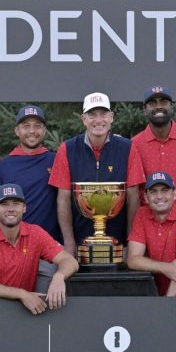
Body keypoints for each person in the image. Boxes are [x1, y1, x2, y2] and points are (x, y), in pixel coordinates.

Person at [48, 92, 145, 257]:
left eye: (103, 114)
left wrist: (132, 241)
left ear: (112, 117)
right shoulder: (67, 149)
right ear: (84, 119)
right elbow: (63, 199)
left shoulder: (127, 148)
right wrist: (69, 242)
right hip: (80, 243)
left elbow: (133, 197)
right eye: (92, 115)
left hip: (119, 243)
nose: (98, 120)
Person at [0, 183, 79, 315]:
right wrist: (22, 294)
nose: (10, 209)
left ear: (24, 208)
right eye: (4, 204)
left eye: (16, 203)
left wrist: (59, 277)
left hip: (24, 311)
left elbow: (70, 261)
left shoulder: (35, 233)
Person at [0, 105, 60, 292]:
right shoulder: (4, 166)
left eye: (37, 126)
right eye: (26, 126)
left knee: (44, 309)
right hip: (9, 255)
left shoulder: (56, 160)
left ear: (44, 130)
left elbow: (67, 201)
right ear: (17, 130)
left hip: (47, 253)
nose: (32, 131)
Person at [127, 171, 176, 296]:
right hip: (156, 297)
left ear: (175, 194)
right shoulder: (142, 214)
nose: (159, 196)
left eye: (165, 190)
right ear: (146, 197)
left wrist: (168, 302)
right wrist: (166, 268)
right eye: (153, 192)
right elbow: (133, 260)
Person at [131, 86, 176, 207]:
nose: (158, 106)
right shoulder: (134, 145)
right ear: (144, 110)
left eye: (164, 102)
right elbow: (133, 188)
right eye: (152, 103)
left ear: (171, 107)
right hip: (149, 219)